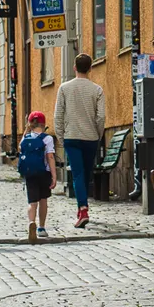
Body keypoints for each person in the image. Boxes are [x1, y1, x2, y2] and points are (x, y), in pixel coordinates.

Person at [52, 53, 105, 229]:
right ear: (90, 68)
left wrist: (61, 136)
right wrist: (98, 133)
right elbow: (101, 117)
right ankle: (83, 206)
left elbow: (58, 115)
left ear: (74, 67)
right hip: (90, 137)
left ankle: (82, 208)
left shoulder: (64, 88)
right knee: (86, 173)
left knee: (78, 174)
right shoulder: (97, 90)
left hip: (71, 137)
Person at [17, 111, 58, 242]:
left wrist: (26, 130)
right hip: (44, 173)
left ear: (30, 124)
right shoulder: (48, 139)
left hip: (30, 174)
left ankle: (31, 222)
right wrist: (54, 175)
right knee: (43, 200)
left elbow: (20, 149)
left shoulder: (25, 138)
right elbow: (50, 157)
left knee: (32, 202)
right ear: (44, 123)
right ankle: (41, 227)